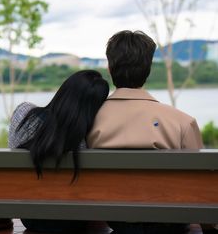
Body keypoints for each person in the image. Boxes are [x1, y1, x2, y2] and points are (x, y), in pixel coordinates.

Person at [87, 30, 203, 234]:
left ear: (109, 67)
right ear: (148, 68)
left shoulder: (87, 119)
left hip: (115, 219)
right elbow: (198, 186)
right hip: (170, 222)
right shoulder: (183, 122)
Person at [9, 70, 109, 233]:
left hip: (30, 217)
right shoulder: (85, 142)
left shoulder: (23, 115)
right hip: (74, 221)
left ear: (64, 91)